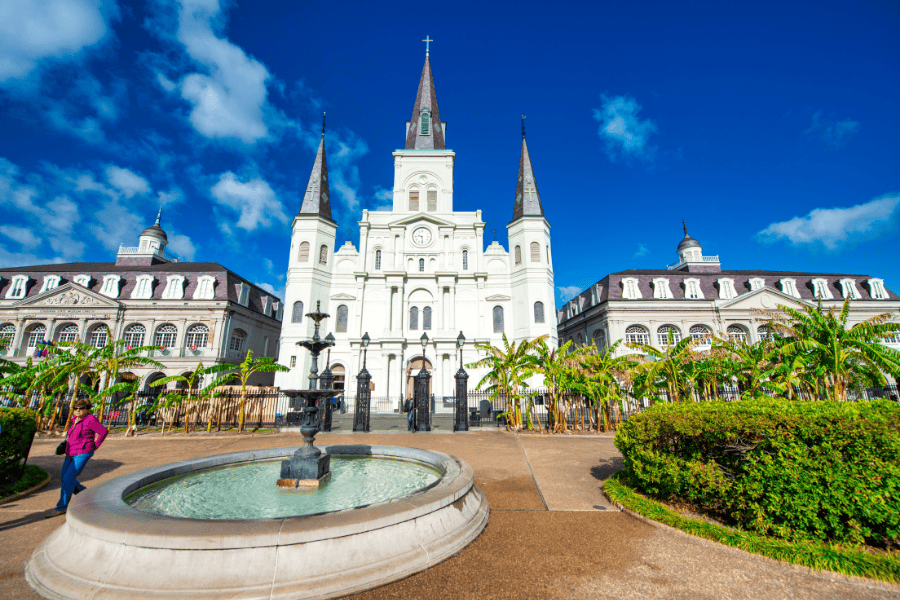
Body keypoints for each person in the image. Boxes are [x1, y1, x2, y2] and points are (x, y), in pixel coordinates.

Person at [47, 399, 108, 518]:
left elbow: (103, 432)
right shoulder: (74, 420)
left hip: (83, 451)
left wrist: (94, 446)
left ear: (87, 409)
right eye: (76, 408)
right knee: (64, 477)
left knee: (68, 478)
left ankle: (62, 507)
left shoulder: (90, 420)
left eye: (81, 408)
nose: (78, 411)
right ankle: (85, 494)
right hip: (70, 452)